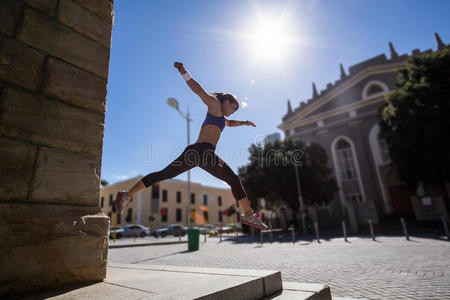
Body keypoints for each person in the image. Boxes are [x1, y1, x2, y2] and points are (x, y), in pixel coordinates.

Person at [114, 62, 269, 230]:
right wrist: (185, 73)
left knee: (163, 174)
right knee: (234, 179)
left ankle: (127, 194)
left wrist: (244, 122)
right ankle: (249, 215)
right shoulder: (215, 104)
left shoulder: (221, 117)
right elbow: (199, 91)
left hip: (194, 154)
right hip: (204, 153)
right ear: (226, 101)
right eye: (233, 107)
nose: (234, 110)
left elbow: (230, 123)